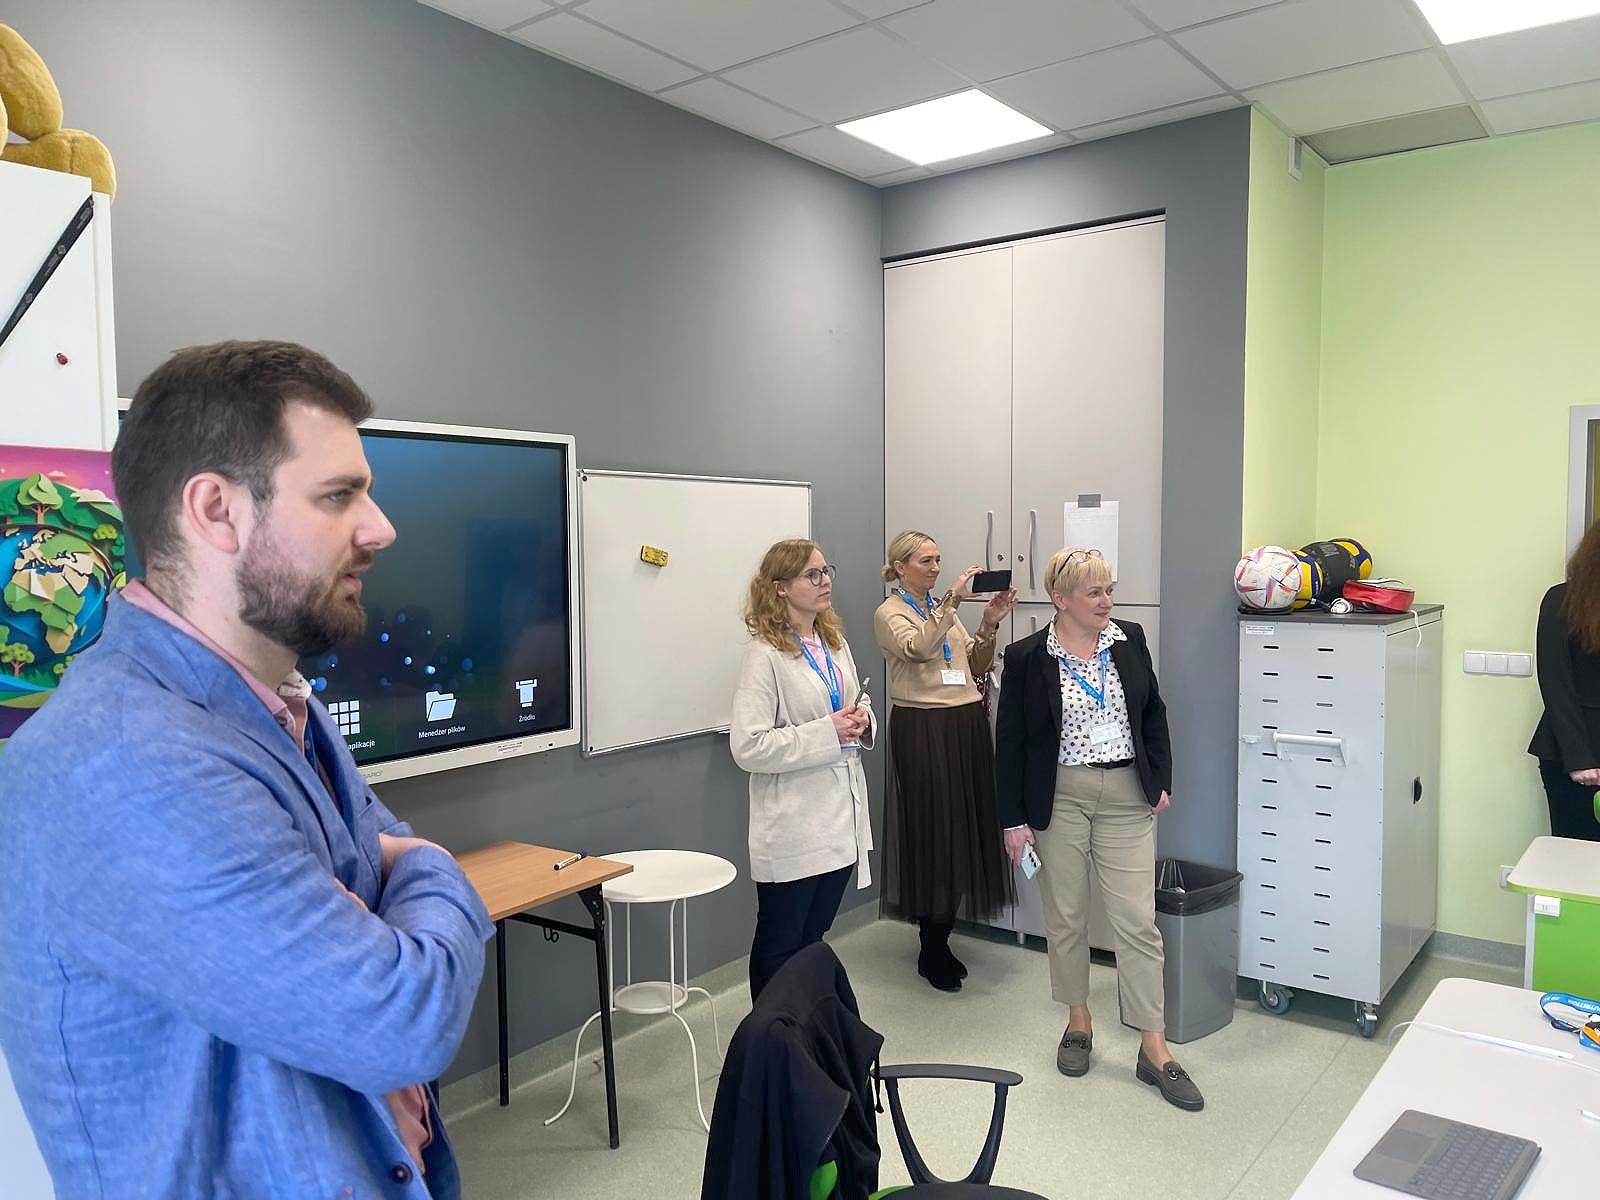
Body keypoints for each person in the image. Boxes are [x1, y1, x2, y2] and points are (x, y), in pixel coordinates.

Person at [0, 341, 495, 1198]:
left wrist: (387, 878)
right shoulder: (124, 761)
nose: (381, 529)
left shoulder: (279, 696)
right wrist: (435, 865)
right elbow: (402, 1017)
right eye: (339, 495)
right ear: (216, 511)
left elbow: (375, 846)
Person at [994, 546, 1204, 1112]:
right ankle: (1078, 1020)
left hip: (1126, 794)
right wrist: (1013, 819)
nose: (1107, 601)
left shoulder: (1129, 639)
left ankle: (1153, 1046)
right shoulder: (1026, 657)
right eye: (1094, 592)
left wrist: (1159, 778)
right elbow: (1010, 744)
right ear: (1060, 599)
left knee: (1137, 921)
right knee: (1066, 916)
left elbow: (1152, 712)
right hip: (1059, 796)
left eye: (1110, 589)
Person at [730, 538, 877, 1001]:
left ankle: (803, 1030)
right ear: (780, 588)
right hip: (794, 825)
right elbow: (748, 747)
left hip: (839, 820)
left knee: (812, 940)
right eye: (812, 574)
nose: (825, 580)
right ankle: (772, 1037)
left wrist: (862, 719)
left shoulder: (833, 642)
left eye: (826, 570)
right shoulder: (765, 654)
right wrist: (827, 731)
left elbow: (853, 700)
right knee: (780, 944)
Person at [874, 531, 1016, 992]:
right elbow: (919, 649)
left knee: (961, 830)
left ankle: (943, 934)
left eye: (938, 560)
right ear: (900, 567)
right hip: (924, 727)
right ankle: (930, 943)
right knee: (934, 831)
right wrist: (953, 600)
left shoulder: (940, 609)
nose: (936, 568)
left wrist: (989, 624)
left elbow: (975, 665)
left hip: (963, 724)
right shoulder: (890, 613)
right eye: (925, 561)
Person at [1530, 522, 1600, 840]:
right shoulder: (1561, 599)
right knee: (1574, 856)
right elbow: (1556, 683)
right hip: (1577, 755)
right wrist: (1579, 757)